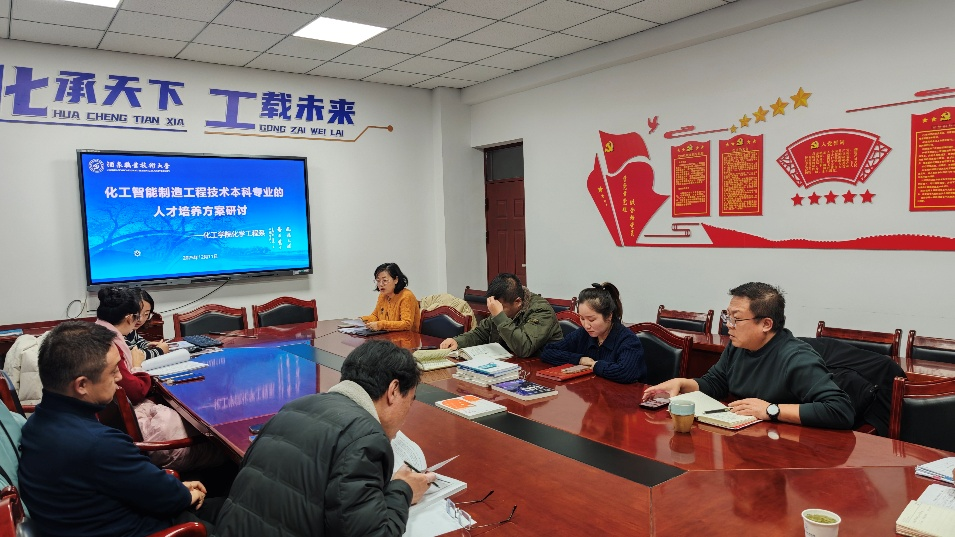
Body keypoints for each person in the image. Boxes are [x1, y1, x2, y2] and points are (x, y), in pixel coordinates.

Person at [215, 340, 434, 536]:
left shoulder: (294, 407)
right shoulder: (365, 438)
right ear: (393, 390)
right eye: (410, 400)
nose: (408, 411)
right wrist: (403, 490)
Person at [17, 321, 212, 537]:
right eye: (113, 371)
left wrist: (176, 489)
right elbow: (168, 498)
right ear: (81, 385)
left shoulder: (35, 424)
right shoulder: (97, 444)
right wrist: (186, 494)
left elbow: (141, 484)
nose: (119, 377)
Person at [643, 282, 854, 429]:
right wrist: (682, 383)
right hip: (750, 437)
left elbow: (840, 410)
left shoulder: (796, 357)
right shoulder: (738, 346)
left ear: (766, 324)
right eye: (727, 317)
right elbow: (716, 383)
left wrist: (771, 410)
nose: (729, 325)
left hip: (790, 449)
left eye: (736, 319)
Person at [95, 286, 220, 470]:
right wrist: (137, 366)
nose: (140, 321)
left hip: (121, 435)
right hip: (148, 443)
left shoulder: (98, 334)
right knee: (219, 444)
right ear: (129, 318)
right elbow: (134, 391)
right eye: (138, 316)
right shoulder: (110, 345)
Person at [541, 282, 646, 383]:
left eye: (591, 319)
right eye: (582, 318)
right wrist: (579, 359)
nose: (586, 325)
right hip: (591, 390)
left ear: (609, 316)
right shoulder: (583, 334)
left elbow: (625, 372)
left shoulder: (628, 340)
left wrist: (596, 365)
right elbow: (547, 351)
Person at [440, 273, 562, 358]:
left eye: (500, 308)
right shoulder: (504, 304)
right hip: (512, 365)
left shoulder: (541, 310)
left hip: (542, 370)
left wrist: (499, 315)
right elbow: (481, 333)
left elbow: (524, 347)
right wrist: (458, 341)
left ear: (518, 302)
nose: (496, 311)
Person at [360, 262, 420, 332]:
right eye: (378, 281)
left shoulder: (406, 296)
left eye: (385, 280)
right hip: (387, 336)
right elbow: (375, 316)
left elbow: (407, 324)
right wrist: (361, 320)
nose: (381, 284)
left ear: (396, 280)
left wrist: (381, 325)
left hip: (406, 337)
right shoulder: (382, 296)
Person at [125, 288, 169, 359]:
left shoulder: (130, 330)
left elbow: (138, 341)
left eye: (146, 314)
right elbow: (134, 356)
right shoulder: (118, 333)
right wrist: (160, 350)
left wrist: (147, 345)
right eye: (137, 314)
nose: (140, 319)